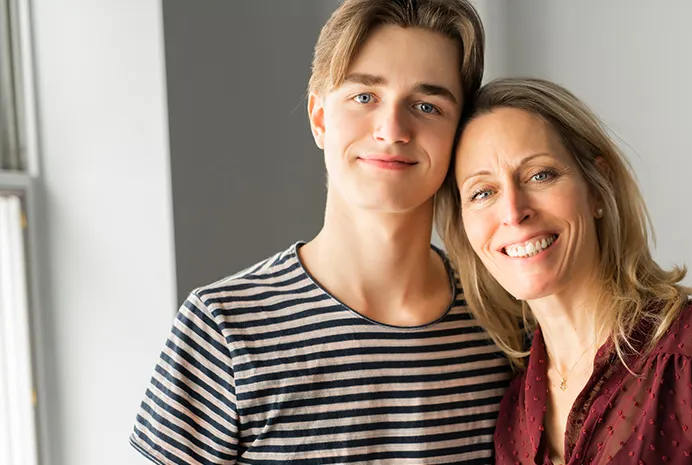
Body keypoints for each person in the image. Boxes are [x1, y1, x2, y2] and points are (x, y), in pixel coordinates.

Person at [130, 2, 512, 464]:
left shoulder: (502, 320)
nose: (392, 130)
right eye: (364, 97)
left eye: (427, 106)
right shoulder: (224, 327)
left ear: (458, 134)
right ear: (319, 118)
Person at [435, 78, 692, 464]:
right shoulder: (512, 415)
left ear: (597, 188)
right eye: (482, 192)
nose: (513, 212)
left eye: (540, 175)